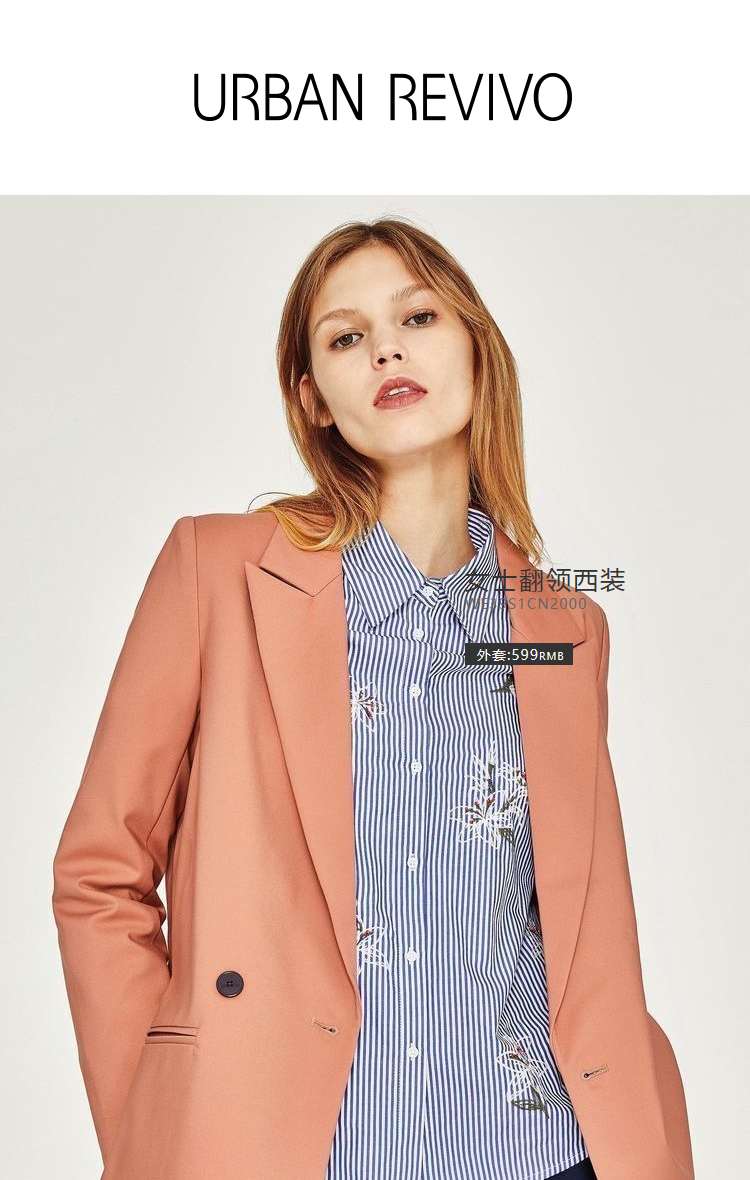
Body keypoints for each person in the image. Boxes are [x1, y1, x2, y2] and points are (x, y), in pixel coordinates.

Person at [52, 217, 695, 1180]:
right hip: (292, 1152)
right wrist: (159, 1131)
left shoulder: (564, 626)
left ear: (476, 349)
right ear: (313, 398)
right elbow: (100, 875)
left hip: (546, 1150)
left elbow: (579, 925)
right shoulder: (219, 573)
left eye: (419, 317)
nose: (388, 349)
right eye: (347, 336)